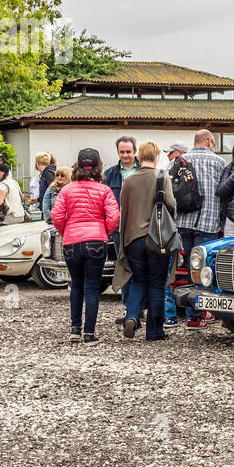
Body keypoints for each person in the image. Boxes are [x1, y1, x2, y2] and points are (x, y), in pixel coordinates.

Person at [52, 149, 120, 346]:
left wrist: (66, 231)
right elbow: (114, 217)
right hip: (96, 241)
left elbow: (57, 216)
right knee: (92, 288)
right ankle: (89, 334)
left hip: (72, 241)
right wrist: (104, 231)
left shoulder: (66, 190)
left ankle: (75, 330)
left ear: (78, 167)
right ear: (98, 167)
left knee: (76, 285)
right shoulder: (104, 190)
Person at [114, 141, 177, 342]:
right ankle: (154, 331)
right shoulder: (162, 176)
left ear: (138, 157)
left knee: (139, 280)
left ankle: (131, 316)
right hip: (156, 239)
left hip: (133, 239)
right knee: (157, 285)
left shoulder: (129, 181)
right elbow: (171, 204)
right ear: (157, 156)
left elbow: (124, 211)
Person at [175, 130, 227, 329]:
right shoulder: (219, 163)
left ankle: (191, 316)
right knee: (204, 270)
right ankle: (198, 314)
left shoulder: (179, 161)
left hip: (182, 222)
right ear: (209, 142)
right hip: (208, 223)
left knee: (189, 267)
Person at [105, 137, 141, 327]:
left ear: (135, 151)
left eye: (128, 151)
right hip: (119, 229)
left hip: (141, 228)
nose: (125, 155)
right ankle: (130, 310)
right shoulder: (110, 175)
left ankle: (141, 309)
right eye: (122, 152)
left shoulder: (144, 171)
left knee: (142, 268)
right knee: (124, 268)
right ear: (118, 152)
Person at [162, 141, 192, 330]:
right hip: (199, 223)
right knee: (192, 270)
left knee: (169, 271)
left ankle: (169, 316)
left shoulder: (172, 168)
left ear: (180, 152)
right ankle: (194, 315)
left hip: (176, 224)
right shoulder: (188, 168)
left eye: (170, 152)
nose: (168, 156)